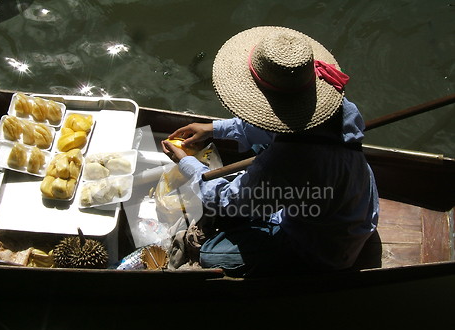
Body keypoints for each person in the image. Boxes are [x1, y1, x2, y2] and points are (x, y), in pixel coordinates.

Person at [162, 26, 379, 276]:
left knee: (211, 254)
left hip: (325, 245)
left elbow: (226, 200)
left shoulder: (287, 160)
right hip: (349, 197)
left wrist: (188, 164)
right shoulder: (343, 108)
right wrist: (213, 129)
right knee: (259, 157)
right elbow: (270, 126)